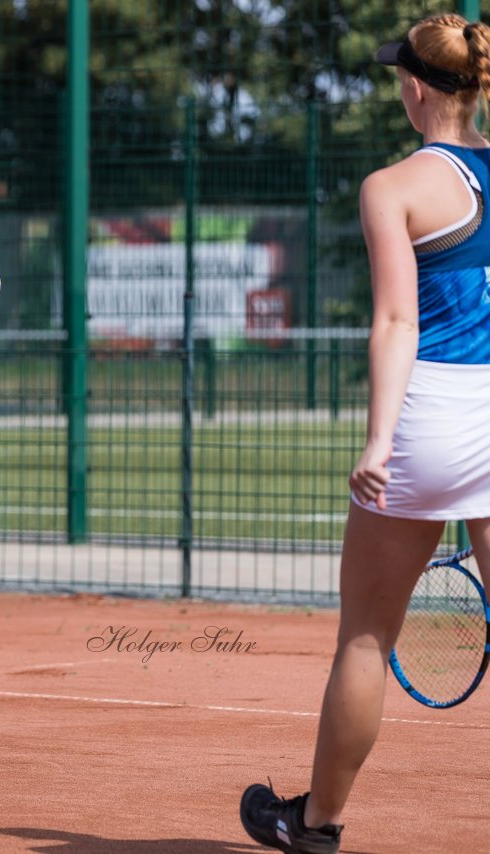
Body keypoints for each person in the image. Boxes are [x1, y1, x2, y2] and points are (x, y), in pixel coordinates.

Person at [240, 13, 490, 853]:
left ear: (417, 87)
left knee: (366, 637)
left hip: (433, 415)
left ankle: (314, 826)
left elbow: (394, 322)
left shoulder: (394, 185)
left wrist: (379, 442)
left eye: (398, 76)